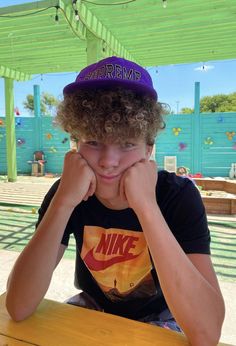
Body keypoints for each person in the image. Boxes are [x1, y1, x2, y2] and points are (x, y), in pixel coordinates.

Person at [6, 56, 225, 345]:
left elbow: (207, 333)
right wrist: (62, 202)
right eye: (93, 141)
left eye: (127, 144)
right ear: (76, 143)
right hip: (92, 309)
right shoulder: (68, 192)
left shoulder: (178, 196)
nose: (108, 161)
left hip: (166, 317)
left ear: (149, 150)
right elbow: (18, 306)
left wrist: (146, 206)